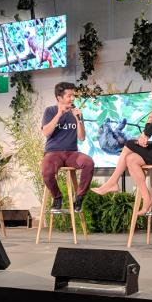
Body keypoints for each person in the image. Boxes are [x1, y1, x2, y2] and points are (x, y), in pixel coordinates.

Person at [94, 76, 152, 215]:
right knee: (131, 159)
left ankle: (112, 182)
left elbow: (151, 129)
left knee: (130, 144)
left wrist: (145, 136)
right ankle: (147, 197)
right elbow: (150, 126)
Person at [41, 82, 95, 213]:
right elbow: (46, 132)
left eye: (73, 95)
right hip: (53, 153)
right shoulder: (50, 111)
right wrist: (59, 115)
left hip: (72, 153)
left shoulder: (76, 113)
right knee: (47, 172)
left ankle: (80, 196)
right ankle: (57, 197)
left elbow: (81, 138)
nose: (72, 98)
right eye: (69, 95)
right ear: (59, 98)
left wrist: (79, 120)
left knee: (88, 162)